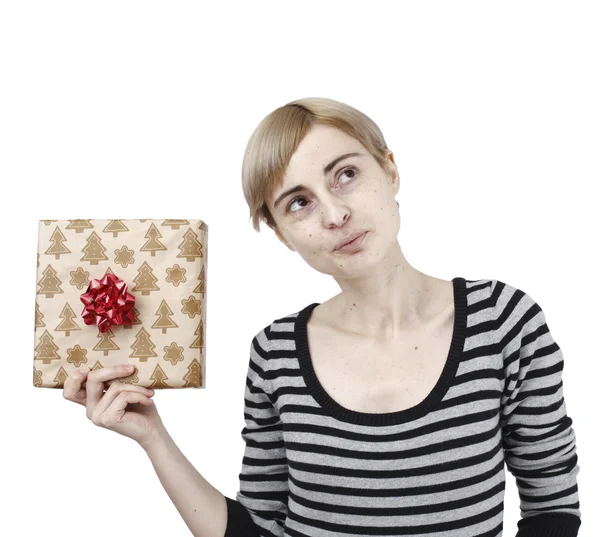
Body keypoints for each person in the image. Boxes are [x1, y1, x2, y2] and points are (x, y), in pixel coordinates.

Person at [63, 97, 582, 537]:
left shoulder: (505, 322)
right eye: (298, 203)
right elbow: (259, 529)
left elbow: (553, 509)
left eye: (347, 175)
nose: (334, 215)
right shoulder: (276, 352)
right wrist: (153, 436)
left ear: (391, 169)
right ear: (280, 233)